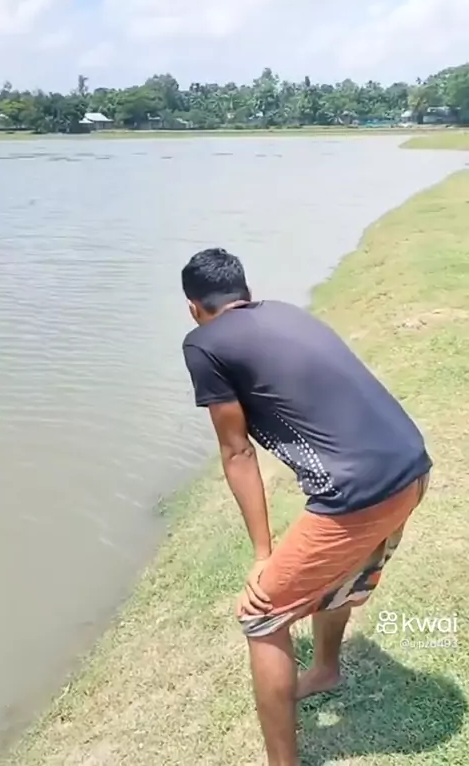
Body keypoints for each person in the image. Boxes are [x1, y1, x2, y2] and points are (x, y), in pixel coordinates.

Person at [181, 247, 431, 766]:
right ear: (247, 293)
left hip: (360, 493)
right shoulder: (285, 312)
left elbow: (236, 451)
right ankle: (324, 670)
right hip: (412, 467)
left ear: (194, 308)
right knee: (340, 577)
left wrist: (262, 555)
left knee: (261, 615)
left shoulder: (203, 343)